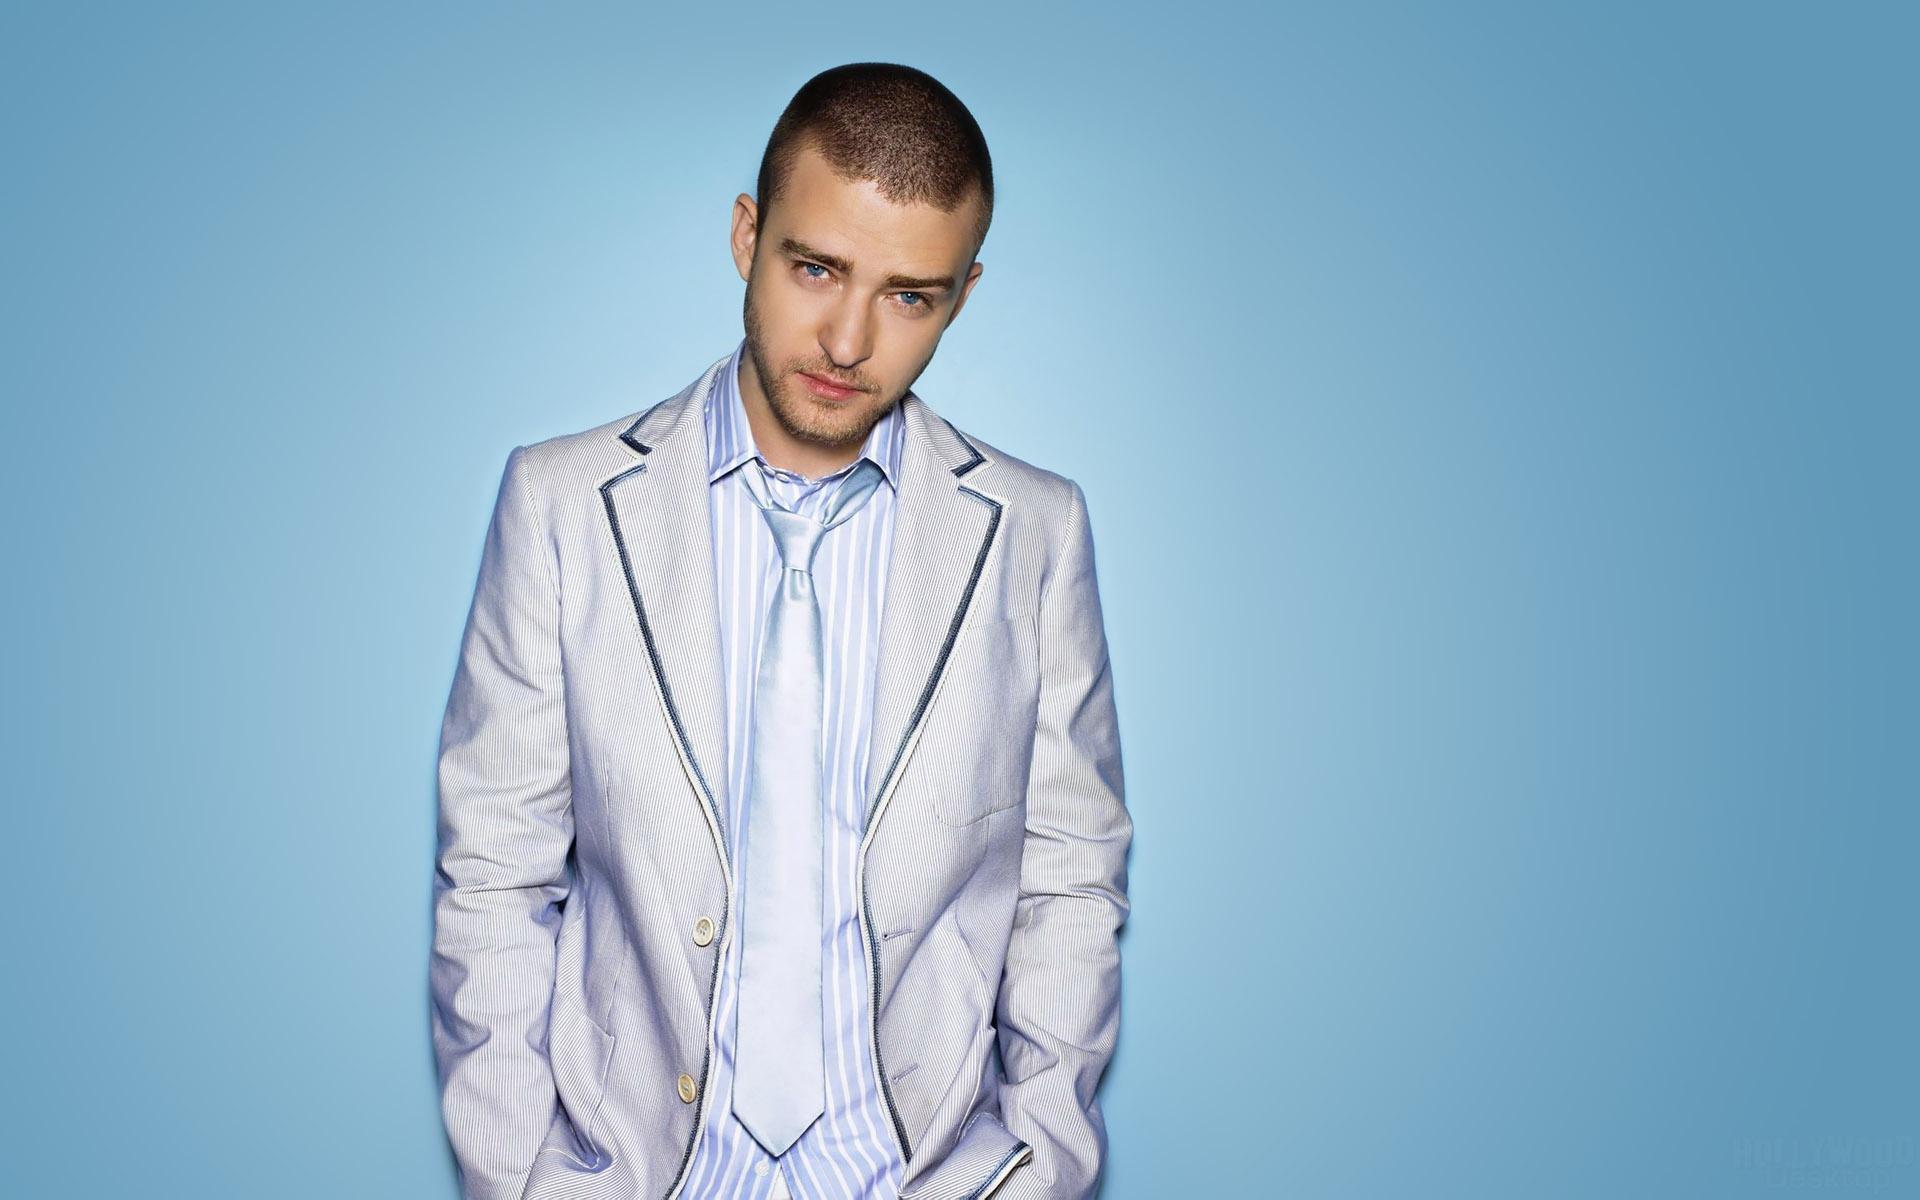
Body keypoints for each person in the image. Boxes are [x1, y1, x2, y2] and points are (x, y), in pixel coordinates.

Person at [430, 62, 1130, 1200]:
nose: (848, 340)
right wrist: (520, 1182)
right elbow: (495, 877)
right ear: (747, 236)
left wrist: (1036, 1170)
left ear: (963, 295)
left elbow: (1070, 884)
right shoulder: (562, 507)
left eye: (910, 296)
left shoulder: (1033, 532)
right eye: (816, 268)